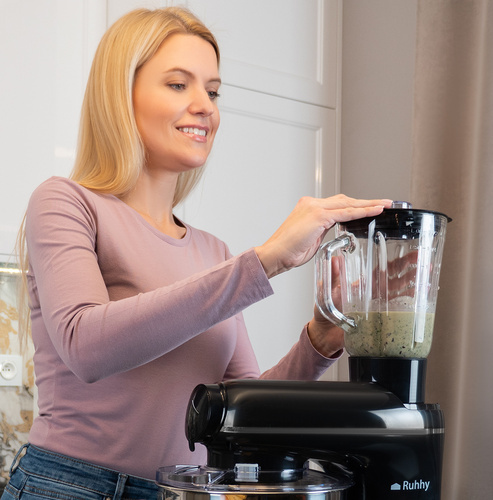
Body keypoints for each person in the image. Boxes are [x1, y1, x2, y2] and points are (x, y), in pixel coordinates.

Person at [1, 6, 392, 500]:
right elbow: (86, 346)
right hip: (69, 486)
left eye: (212, 91)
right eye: (178, 84)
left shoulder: (213, 253)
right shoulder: (65, 202)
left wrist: (320, 339)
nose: (205, 106)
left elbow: (247, 413)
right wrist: (266, 260)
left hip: (183, 491)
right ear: (120, 95)